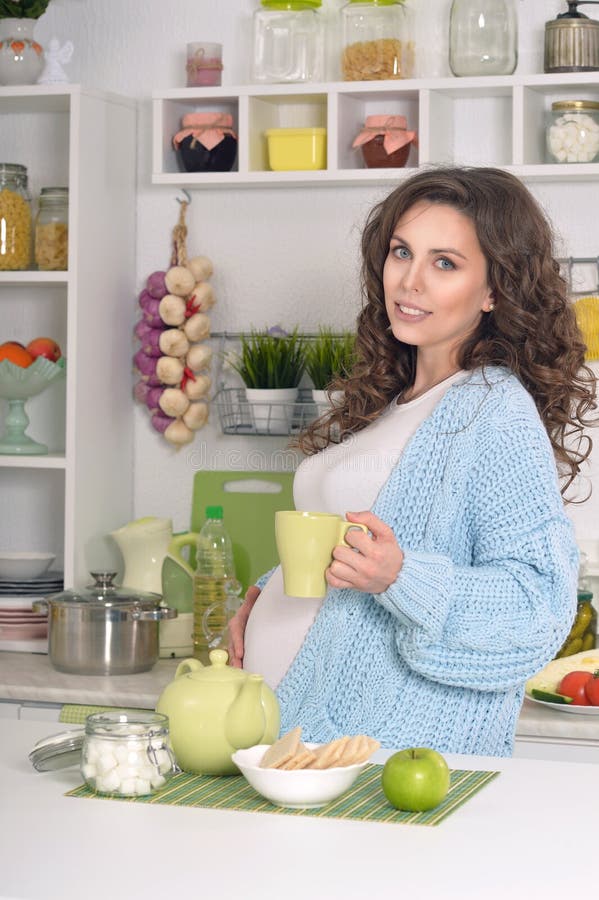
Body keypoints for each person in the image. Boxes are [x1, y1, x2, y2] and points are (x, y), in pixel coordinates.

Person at [229, 166, 597, 757]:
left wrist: (400, 577)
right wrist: (266, 597)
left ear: (493, 289)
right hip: (292, 733)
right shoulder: (390, 401)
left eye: (445, 263)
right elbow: (349, 553)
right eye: (402, 252)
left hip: (382, 753)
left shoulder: (491, 408)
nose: (411, 281)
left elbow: (538, 604)